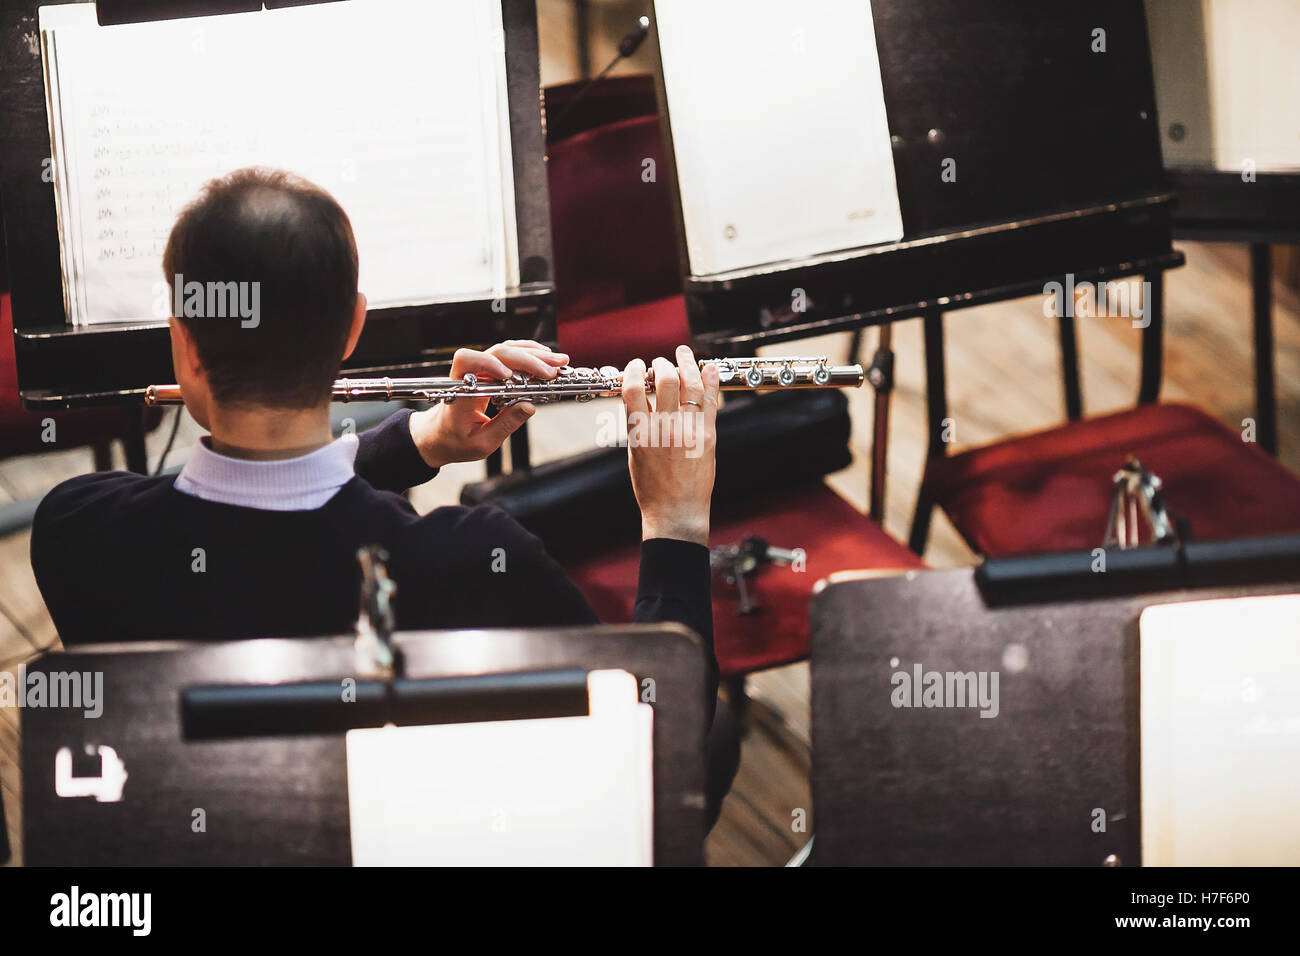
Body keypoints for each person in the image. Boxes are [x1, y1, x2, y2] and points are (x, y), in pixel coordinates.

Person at [31, 167, 736, 821]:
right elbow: (658, 736)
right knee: (719, 726)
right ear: (352, 328)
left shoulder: (75, 532)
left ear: (183, 346)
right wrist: (674, 520)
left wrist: (419, 441)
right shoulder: (476, 561)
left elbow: (252, 521)